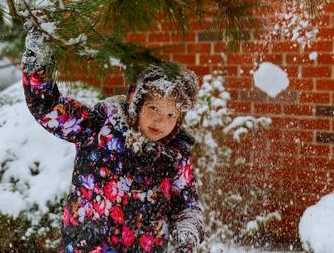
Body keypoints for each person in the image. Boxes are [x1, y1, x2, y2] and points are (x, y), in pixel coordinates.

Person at [21, 20, 205, 253]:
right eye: (154, 109)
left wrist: (187, 233)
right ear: (136, 104)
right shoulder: (99, 126)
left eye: (171, 114)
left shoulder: (175, 155)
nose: (161, 120)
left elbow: (187, 205)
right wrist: (38, 64)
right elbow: (49, 108)